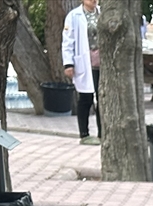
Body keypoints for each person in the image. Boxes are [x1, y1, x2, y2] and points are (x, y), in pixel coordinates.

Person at [62, 0, 102, 146]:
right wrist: (68, 63)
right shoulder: (74, 16)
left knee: (102, 99)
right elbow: (67, 41)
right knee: (86, 98)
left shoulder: (102, 14)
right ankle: (84, 134)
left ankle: (102, 133)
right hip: (84, 62)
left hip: (101, 63)